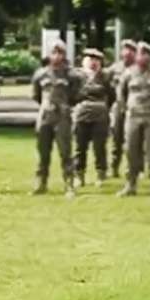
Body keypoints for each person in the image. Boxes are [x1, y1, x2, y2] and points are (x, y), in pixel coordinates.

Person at [117, 42, 150, 198]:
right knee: (131, 151)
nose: (142, 56)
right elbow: (121, 93)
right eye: (140, 53)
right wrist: (125, 108)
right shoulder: (128, 73)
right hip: (133, 116)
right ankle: (130, 185)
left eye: (146, 54)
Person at [31, 43, 75, 196]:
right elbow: (36, 95)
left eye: (60, 53)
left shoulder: (70, 75)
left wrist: (66, 105)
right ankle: (41, 183)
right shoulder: (40, 74)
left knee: (65, 151)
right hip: (45, 116)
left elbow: (76, 94)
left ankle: (69, 184)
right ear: (49, 54)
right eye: (54, 52)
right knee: (43, 151)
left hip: (62, 116)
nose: (57, 56)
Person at [72, 48, 114, 187]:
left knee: (99, 147)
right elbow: (71, 95)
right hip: (81, 115)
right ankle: (79, 174)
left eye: (96, 60)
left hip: (100, 116)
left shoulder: (105, 77)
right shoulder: (77, 76)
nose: (93, 63)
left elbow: (112, 95)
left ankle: (100, 174)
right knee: (80, 147)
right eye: (90, 59)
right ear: (84, 61)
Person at [107, 39, 135, 179]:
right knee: (116, 138)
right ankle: (114, 167)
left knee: (135, 140)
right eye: (125, 49)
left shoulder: (138, 69)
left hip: (134, 108)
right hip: (118, 107)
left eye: (131, 50)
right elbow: (106, 88)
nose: (127, 52)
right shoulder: (114, 69)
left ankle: (136, 168)